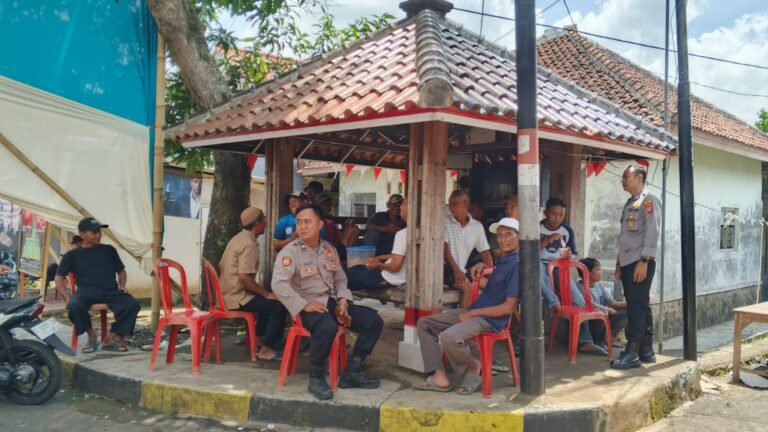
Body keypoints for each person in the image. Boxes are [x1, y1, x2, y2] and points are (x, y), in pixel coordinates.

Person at [272, 204, 384, 400]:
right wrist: (304, 305)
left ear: (320, 224)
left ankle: (351, 372)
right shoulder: (290, 252)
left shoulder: (329, 249)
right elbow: (278, 284)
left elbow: (340, 280)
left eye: (307, 222)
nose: (302, 226)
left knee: (373, 321)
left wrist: (343, 299)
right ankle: (316, 377)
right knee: (327, 327)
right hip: (307, 307)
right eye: (299, 222)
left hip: (331, 302)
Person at [415, 217, 520, 395]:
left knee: (450, 336)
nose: (503, 239)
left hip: (490, 320)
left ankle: (473, 366)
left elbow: (508, 308)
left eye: (508, 234)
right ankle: (439, 375)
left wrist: (471, 314)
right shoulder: (503, 260)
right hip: (475, 312)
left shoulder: (517, 264)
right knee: (425, 324)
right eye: (500, 235)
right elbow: (493, 286)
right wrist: (480, 268)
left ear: (519, 237)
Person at [54, 218, 141, 353]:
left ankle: (110, 338)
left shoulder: (109, 250)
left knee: (133, 304)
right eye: (93, 232)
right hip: (86, 292)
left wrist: (122, 285)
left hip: (111, 291)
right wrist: (66, 297)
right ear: (82, 235)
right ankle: (92, 335)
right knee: (74, 305)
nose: (98, 235)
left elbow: (121, 271)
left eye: (99, 232)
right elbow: (58, 278)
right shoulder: (72, 255)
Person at [219, 207, 287, 361]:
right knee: (278, 306)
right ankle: (266, 349)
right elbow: (244, 277)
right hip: (235, 296)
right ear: (257, 223)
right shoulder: (249, 244)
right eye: (264, 220)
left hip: (226, 292)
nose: (266, 223)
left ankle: (258, 340)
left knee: (266, 301)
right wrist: (266, 293)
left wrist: (263, 293)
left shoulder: (237, 238)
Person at [611, 166, 662, 369]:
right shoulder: (631, 202)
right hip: (628, 261)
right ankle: (646, 351)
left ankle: (632, 352)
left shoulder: (649, 200)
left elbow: (653, 231)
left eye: (626, 177)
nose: (622, 180)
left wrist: (645, 260)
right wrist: (619, 263)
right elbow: (625, 236)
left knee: (635, 307)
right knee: (640, 304)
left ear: (639, 178)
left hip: (640, 261)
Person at [345, 198, 409, 291]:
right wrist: (377, 258)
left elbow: (395, 267)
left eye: (402, 204)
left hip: (389, 279)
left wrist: (378, 265)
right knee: (355, 268)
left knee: (345, 275)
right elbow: (400, 256)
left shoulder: (402, 234)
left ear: (407, 209)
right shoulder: (411, 232)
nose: (399, 207)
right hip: (387, 271)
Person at [444, 190, 493, 307]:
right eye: (450, 204)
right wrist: (456, 270)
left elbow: (485, 253)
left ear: (465, 204)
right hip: (445, 268)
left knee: (493, 286)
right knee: (468, 288)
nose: (451, 207)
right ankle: (463, 318)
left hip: (463, 271)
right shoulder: (444, 221)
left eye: (454, 204)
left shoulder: (477, 227)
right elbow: (444, 248)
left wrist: (492, 275)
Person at [573, 257, 627, 352]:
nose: (601, 272)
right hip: (589, 323)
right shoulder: (579, 287)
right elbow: (589, 305)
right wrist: (606, 309)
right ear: (588, 273)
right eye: (598, 270)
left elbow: (613, 303)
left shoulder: (598, 286)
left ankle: (608, 339)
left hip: (601, 320)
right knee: (602, 311)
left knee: (626, 312)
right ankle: (595, 342)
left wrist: (633, 303)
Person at [539, 198, 579, 313]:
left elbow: (574, 254)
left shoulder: (567, 230)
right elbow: (529, 252)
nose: (557, 218)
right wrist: (547, 240)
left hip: (559, 266)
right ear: (545, 213)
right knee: (536, 268)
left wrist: (569, 255)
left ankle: (582, 323)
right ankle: (555, 304)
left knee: (578, 301)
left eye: (561, 215)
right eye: (553, 214)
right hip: (540, 263)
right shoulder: (536, 227)